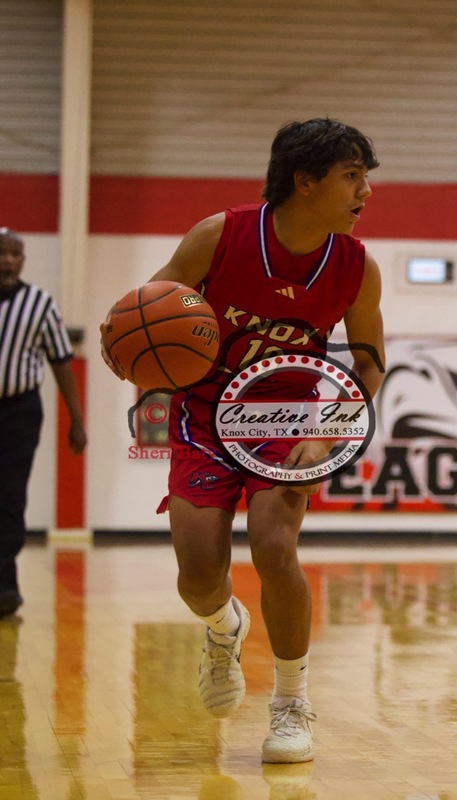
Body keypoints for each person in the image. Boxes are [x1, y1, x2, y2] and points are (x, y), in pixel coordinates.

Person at [102, 118, 385, 763]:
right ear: (303, 180)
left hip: (286, 420)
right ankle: (222, 628)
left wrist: (331, 432)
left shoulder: (355, 267)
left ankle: (290, 704)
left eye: (366, 176)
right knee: (199, 575)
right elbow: (150, 304)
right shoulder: (220, 235)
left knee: (274, 547)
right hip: (203, 414)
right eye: (352, 175)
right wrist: (127, 342)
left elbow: (369, 363)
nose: (366, 190)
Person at [0, 228, 87, 619]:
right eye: (2, 253)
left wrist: (76, 419)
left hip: (19, 411)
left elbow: (61, 362)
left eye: (14, 254)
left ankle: (4, 587)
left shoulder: (41, 304)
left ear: (23, 259)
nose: (7, 260)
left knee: (10, 498)